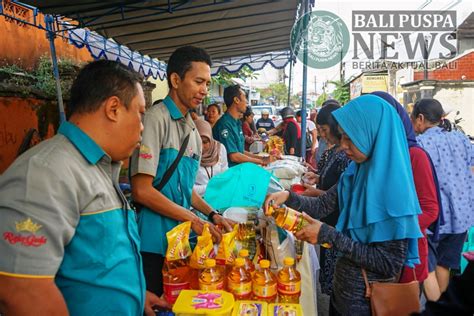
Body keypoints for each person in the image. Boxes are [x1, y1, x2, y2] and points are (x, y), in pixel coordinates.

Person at [0, 60, 169, 315]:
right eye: (140, 114)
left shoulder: (99, 168)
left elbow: (94, 262)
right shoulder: (45, 173)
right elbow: (22, 292)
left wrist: (133, 294)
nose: (142, 128)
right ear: (113, 108)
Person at [265, 95, 422, 315]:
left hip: (367, 302)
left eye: (351, 139)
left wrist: (327, 235)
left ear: (373, 135)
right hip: (342, 293)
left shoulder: (394, 190)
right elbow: (322, 205)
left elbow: (388, 263)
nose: (344, 146)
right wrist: (287, 196)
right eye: (343, 138)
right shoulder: (356, 171)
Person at [130, 46, 233, 299]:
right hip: (154, 242)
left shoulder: (194, 130)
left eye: (207, 84)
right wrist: (195, 220)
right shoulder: (156, 119)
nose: (204, 91)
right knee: (156, 302)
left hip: (181, 241)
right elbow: (142, 190)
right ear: (176, 80)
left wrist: (212, 214)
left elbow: (186, 189)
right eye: (198, 82)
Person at [372, 91, 440, 287]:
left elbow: (430, 209)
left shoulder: (414, 155)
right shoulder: (370, 156)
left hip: (406, 255)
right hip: (375, 256)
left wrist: (390, 229)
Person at [410, 98, 474, 301]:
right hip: (462, 216)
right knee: (444, 265)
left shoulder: (420, 144)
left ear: (420, 118)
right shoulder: (461, 139)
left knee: (426, 268)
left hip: (434, 218)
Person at [301, 101, 351, 296]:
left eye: (323, 129)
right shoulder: (338, 152)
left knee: (338, 286)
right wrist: (318, 178)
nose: (321, 134)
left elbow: (342, 198)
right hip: (330, 225)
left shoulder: (348, 157)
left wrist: (314, 193)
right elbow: (334, 192)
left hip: (337, 227)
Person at [213, 85, 269, 167]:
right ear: (236, 100)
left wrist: (261, 159)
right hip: (229, 173)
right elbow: (234, 156)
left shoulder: (237, 122)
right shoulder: (225, 124)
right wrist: (261, 161)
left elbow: (240, 151)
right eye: (245, 97)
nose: (246, 102)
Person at [193, 119, 228, 196]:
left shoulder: (220, 149)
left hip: (219, 197)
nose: (201, 146)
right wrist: (210, 187)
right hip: (196, 202)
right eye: (197, 141)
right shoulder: (188, 153)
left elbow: (225, 175)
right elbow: (186, 187)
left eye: (205, 142)